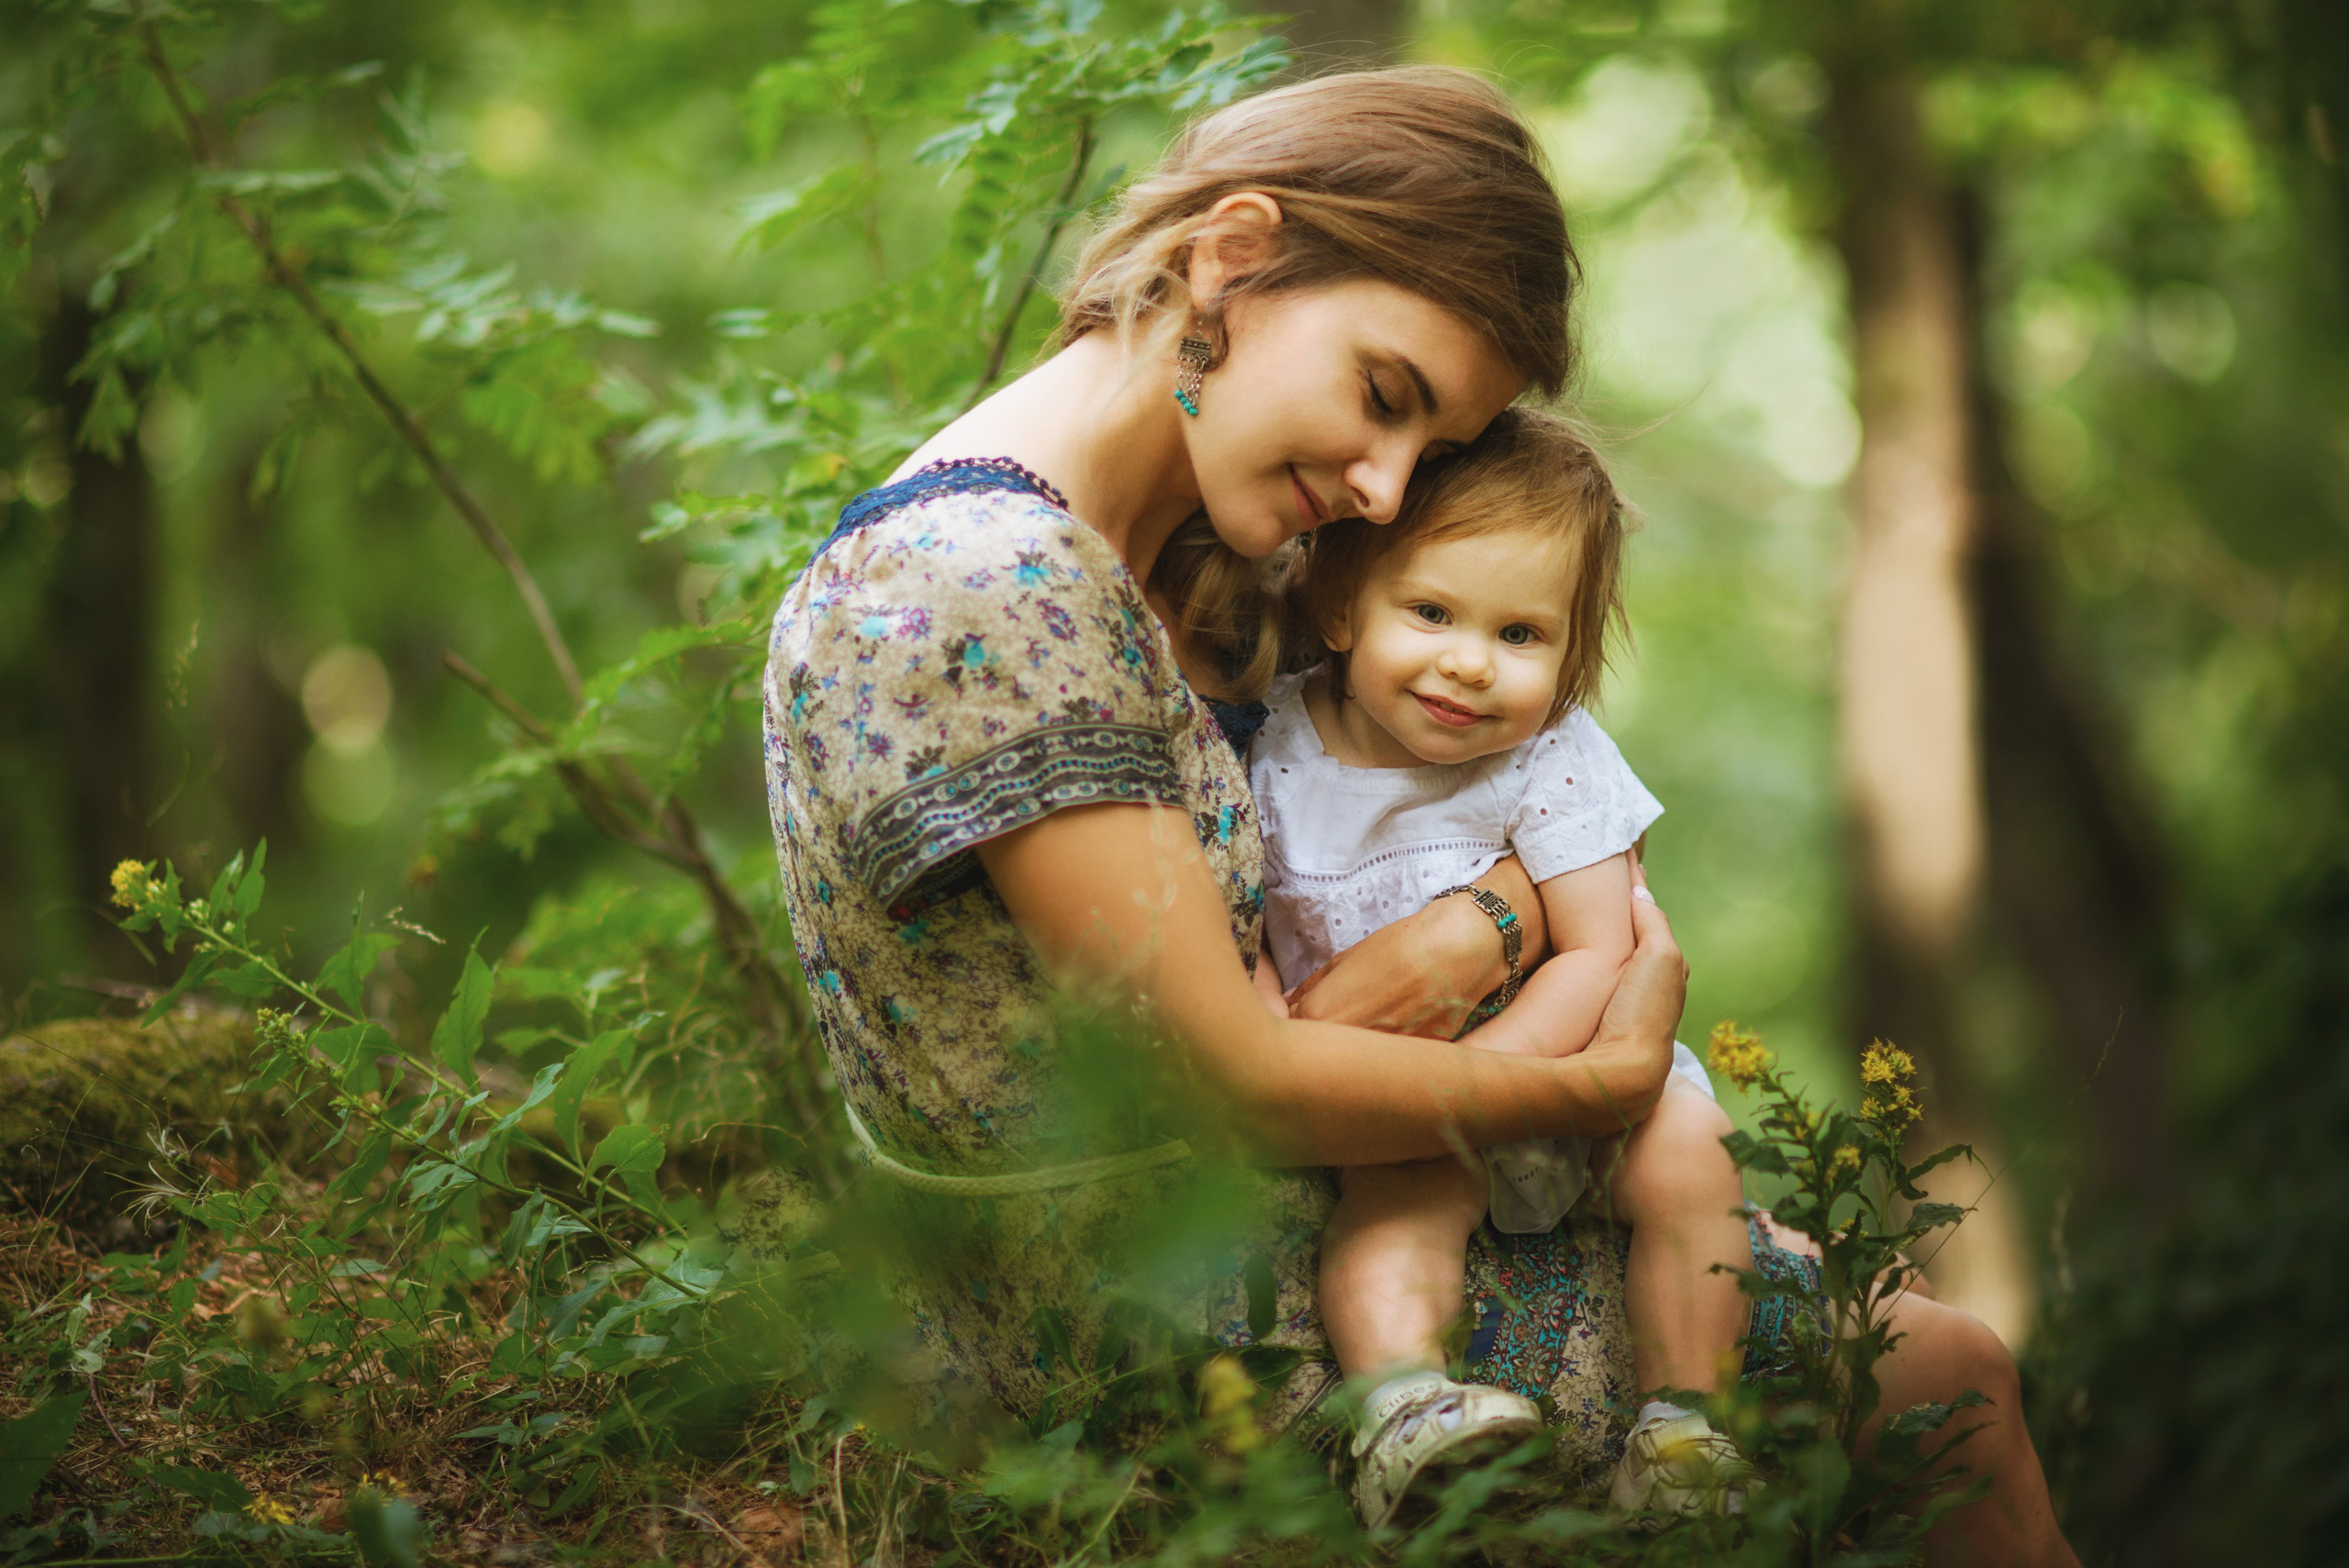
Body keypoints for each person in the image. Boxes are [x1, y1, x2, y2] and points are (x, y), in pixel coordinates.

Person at [759, 65, 2079, 1564]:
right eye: (1383, 393)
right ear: (1232, 256)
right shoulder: (997, 594)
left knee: (1812, 1298)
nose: (1385, 492)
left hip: (1285, 1229)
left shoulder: (1165, 568)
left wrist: (1510, 926)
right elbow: (1242, 1079)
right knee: (1947, 1375)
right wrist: (1593, 1083)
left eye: (1428, 442)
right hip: (1169, 1330)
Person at [1249, 409, 1759, 1522]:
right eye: (1429, 611)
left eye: (1521, 635)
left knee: (1692, 1152)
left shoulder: (1553, 757)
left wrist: (1501, 1073)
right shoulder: (1272, 752)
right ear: (1341, 606)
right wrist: (1443, 1103)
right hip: (1399, 1099)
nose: (1468, 662)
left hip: (1568, 1064)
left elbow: (1599, 945)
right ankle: (1406, 1411)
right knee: (1394, 1210)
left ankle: (1681, 1430)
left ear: (1570, 658)